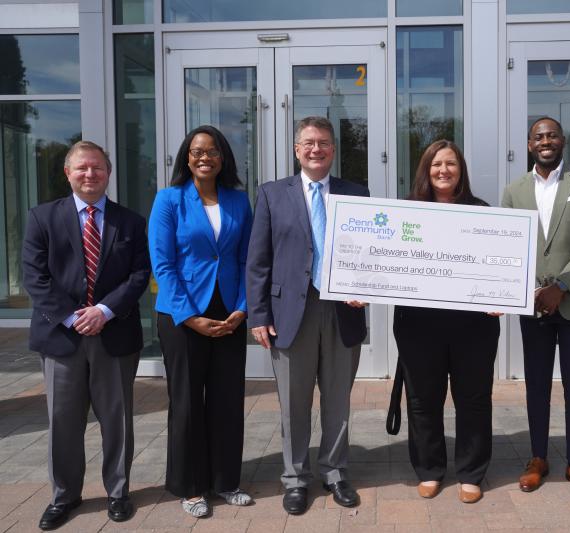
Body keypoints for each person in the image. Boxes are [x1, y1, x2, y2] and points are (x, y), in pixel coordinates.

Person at [22, 141, 150, 529]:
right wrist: (71, 316)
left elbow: (139, 275)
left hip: (114, 334)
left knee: (117, 420)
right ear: (68, 173)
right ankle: (65, 496)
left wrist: (104, 311)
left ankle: (118, 492)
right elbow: (34, 276)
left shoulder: (130, 222)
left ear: (108, 173)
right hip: (62, 338)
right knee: (63, 421)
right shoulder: (42, 217)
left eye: (97, 168)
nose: (89, 174)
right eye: (82, 168)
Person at [246, 116, 369, 515]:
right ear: (297, 149)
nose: (316, 149)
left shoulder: (358, 194)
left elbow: (371, 254)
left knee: (337, 400)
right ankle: (295, 479)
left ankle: (335, 472)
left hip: (341, 313)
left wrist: (366, 287)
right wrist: (258, 315)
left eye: (324, 143)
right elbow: (258, 261)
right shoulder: (271, 194)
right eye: (309, 143)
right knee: (293, 404)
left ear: (334, 149)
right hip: (287, 314)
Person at [501, 117, 570, 501]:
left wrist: (561, 286)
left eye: (552, 135)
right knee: (536, 387)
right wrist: (522, 291)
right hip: (532, 306)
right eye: (538, 136)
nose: (545, 141)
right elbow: (507, 246)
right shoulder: (513, 190)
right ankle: (538, 458)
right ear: (529, 145)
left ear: (562, 141)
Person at [149, 125, 253, 517]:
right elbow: (163, 264)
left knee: (227, 399)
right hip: (182, 314)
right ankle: (190, 486)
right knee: (188, 402)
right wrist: (189, 316)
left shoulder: (239, 202)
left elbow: (247, 259)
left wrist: (242, 308)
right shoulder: (169, 200)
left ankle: (226, 480)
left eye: (211, 151)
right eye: (196, 152)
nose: (204, 157)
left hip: (229, 311)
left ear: (223, 157)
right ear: (186, 158)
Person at [391, 140, 501, 504]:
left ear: (460, 170)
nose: (443, 170)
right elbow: (387, 262)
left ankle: (471, 472)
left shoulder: (481, 210)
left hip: (473, 327)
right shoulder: (406, 211)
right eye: (436, 164)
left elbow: (496, 265)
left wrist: (501, 295)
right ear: (426, 169)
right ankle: (429, 469)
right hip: (418, 325)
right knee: (423, 399)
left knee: (473, 399)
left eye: (450, 164)